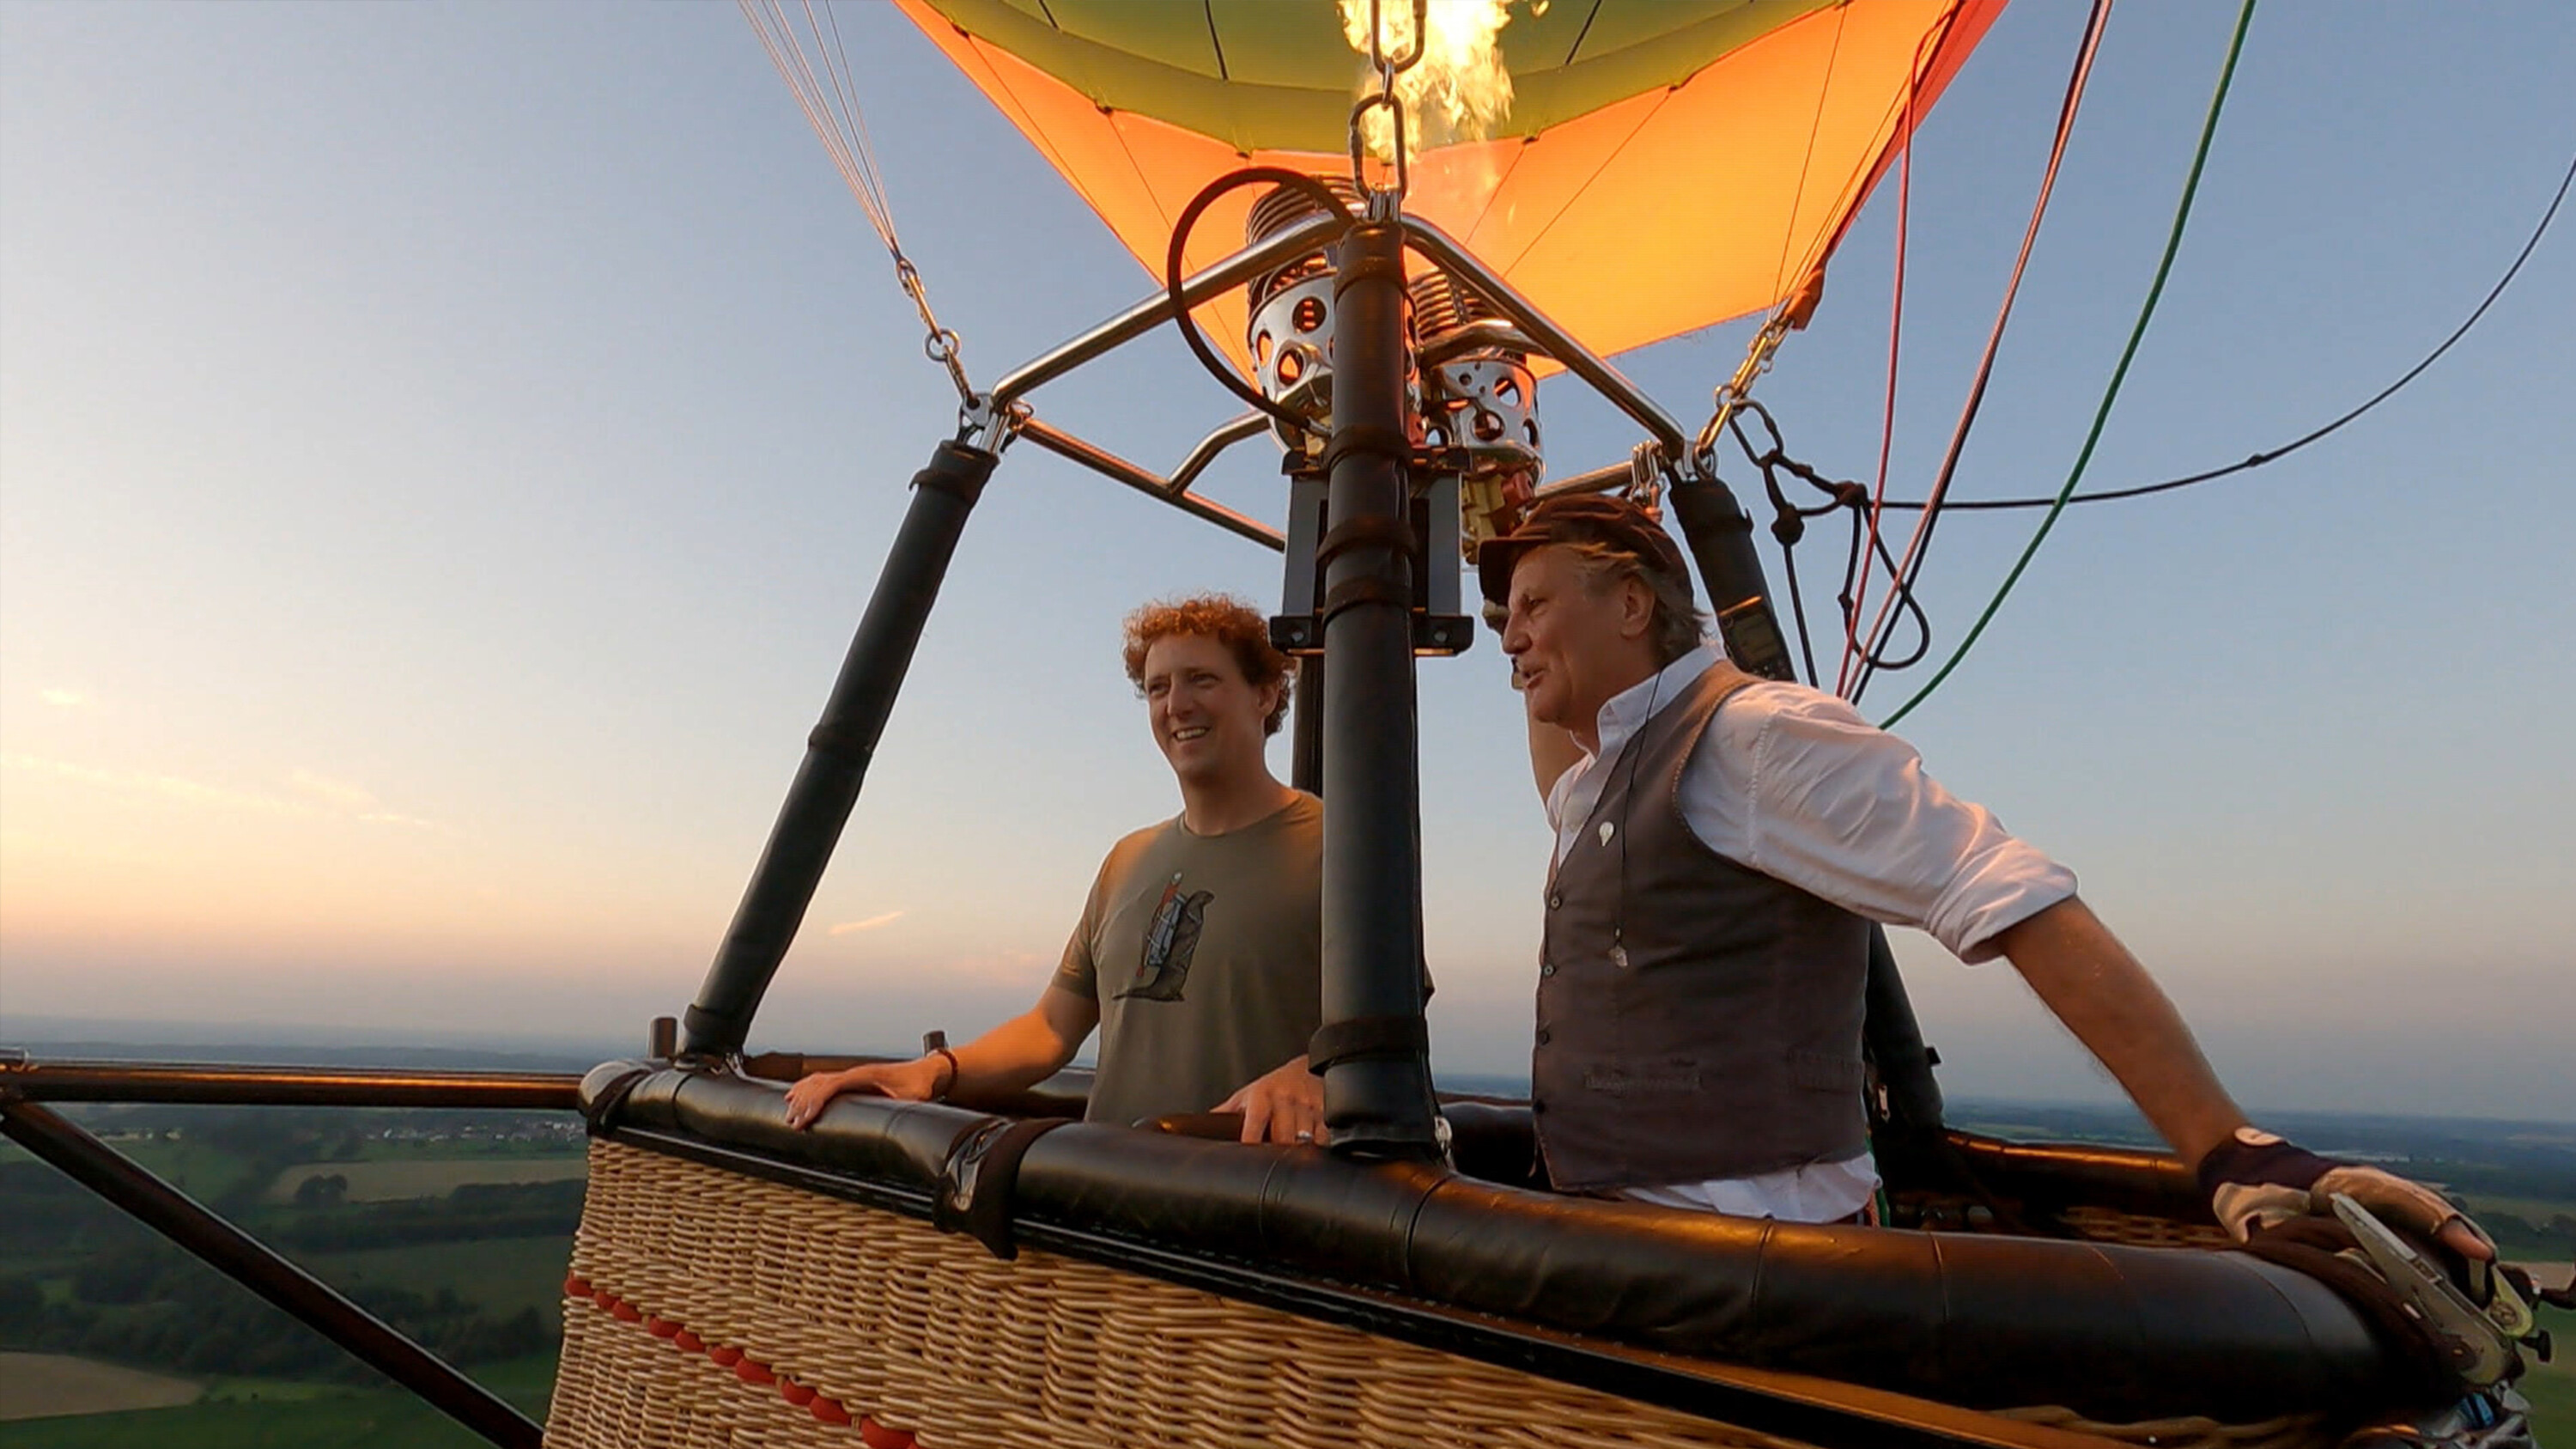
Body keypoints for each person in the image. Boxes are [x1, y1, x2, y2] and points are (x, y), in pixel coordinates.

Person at [1479, 494, 2490, 1261]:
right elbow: (1570, 767)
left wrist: (2227, 1149)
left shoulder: (1758, 738)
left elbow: (2003, 890)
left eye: (1532, 604)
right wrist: (1519, 578)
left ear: (1628, 600)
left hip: (1759, 1251)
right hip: (1639, 1237)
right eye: (1501, 617)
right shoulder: (1613, 778)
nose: (1510, 634)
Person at [782, 594, 1329, 1146]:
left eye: (1201, 680)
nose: (1176, 705)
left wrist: (1315, 1071)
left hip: (1252, 1204)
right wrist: (930, 1072)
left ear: (1265, 693)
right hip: (1104, 1199)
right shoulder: (1128, 860)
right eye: (1159, 687)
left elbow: (1388, 1034)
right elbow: (1049, 1030)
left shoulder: (1336, 847)